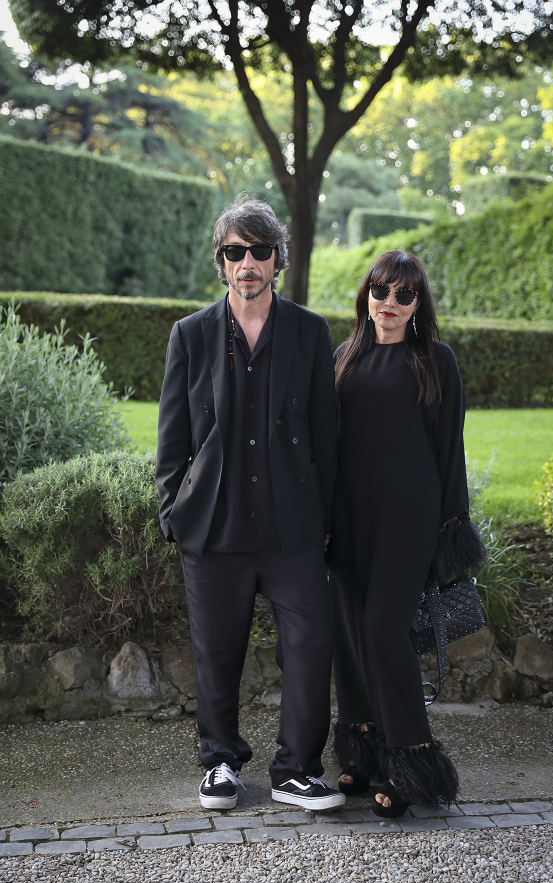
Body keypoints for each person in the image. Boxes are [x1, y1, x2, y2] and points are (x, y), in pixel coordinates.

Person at [155, 194, 344, 812]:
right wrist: (172, 511)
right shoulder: (191, 335)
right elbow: (173, 436)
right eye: (235, 252)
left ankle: (295, 769)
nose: (247, 263)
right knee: (216, 649)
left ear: (276, 260)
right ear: (221, 262)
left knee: (312, 642)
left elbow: (326, 437)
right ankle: (220, 763)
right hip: (214, 524)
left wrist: (327, 521)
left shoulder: (311, 333)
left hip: (293, 528)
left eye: (259, 251)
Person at [329, 249, 484, 818]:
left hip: (407, 519)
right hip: (347, 519)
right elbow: (328, 449)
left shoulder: (435, 360)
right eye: (380, 290)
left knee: (381, 629)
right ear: (365, 294)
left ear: (418, 304)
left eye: (403, 295)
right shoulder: (341, 357)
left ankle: (411, 760)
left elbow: (451, 450)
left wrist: (450, 527)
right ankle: (362, 748)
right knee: (349, 631)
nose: (388, 304)